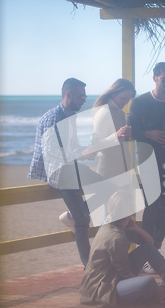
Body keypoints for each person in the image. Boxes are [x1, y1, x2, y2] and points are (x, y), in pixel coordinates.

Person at [79, 190, 165, 307]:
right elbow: (126, 276)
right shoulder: (116, 237)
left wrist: (136, 228)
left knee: (147, 249)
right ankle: (160, 292)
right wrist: (154, 290)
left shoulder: (114, 223)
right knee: (148, 282)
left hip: (109, 278)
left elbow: (150, 242)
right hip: (101, 290)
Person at [28, 78, 93, 267]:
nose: (84, 100)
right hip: (57, 172)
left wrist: (87, 150)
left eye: (85, 96)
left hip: (69, 168)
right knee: (83, 221)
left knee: (106, 184)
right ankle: (89, 267)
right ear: (68, 95)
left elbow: (70, 147)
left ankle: (73, 215)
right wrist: (81, 153)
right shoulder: (53, 118)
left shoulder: (70, 116)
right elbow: (52, 154)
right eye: (81, 96)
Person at [129, 62, 165, 252]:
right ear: (155, 78)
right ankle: (146, 252)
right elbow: (131, 133)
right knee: (151, 206)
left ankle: (156, 250)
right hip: (147, 160)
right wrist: (149, 134)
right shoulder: (140, 103)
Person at [58, 79, 135, 226]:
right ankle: (73, 216)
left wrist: (126, 138)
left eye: (128, 99)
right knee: (110, 218)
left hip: (123, 171)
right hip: (110, 172)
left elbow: (118, 144)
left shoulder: (119, 112)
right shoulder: (105, 112)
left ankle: (73, 216)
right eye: (123, 98)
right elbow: (94, 146)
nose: (125, 102)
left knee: (119, 218)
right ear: (114, 93)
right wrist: (116, 136)